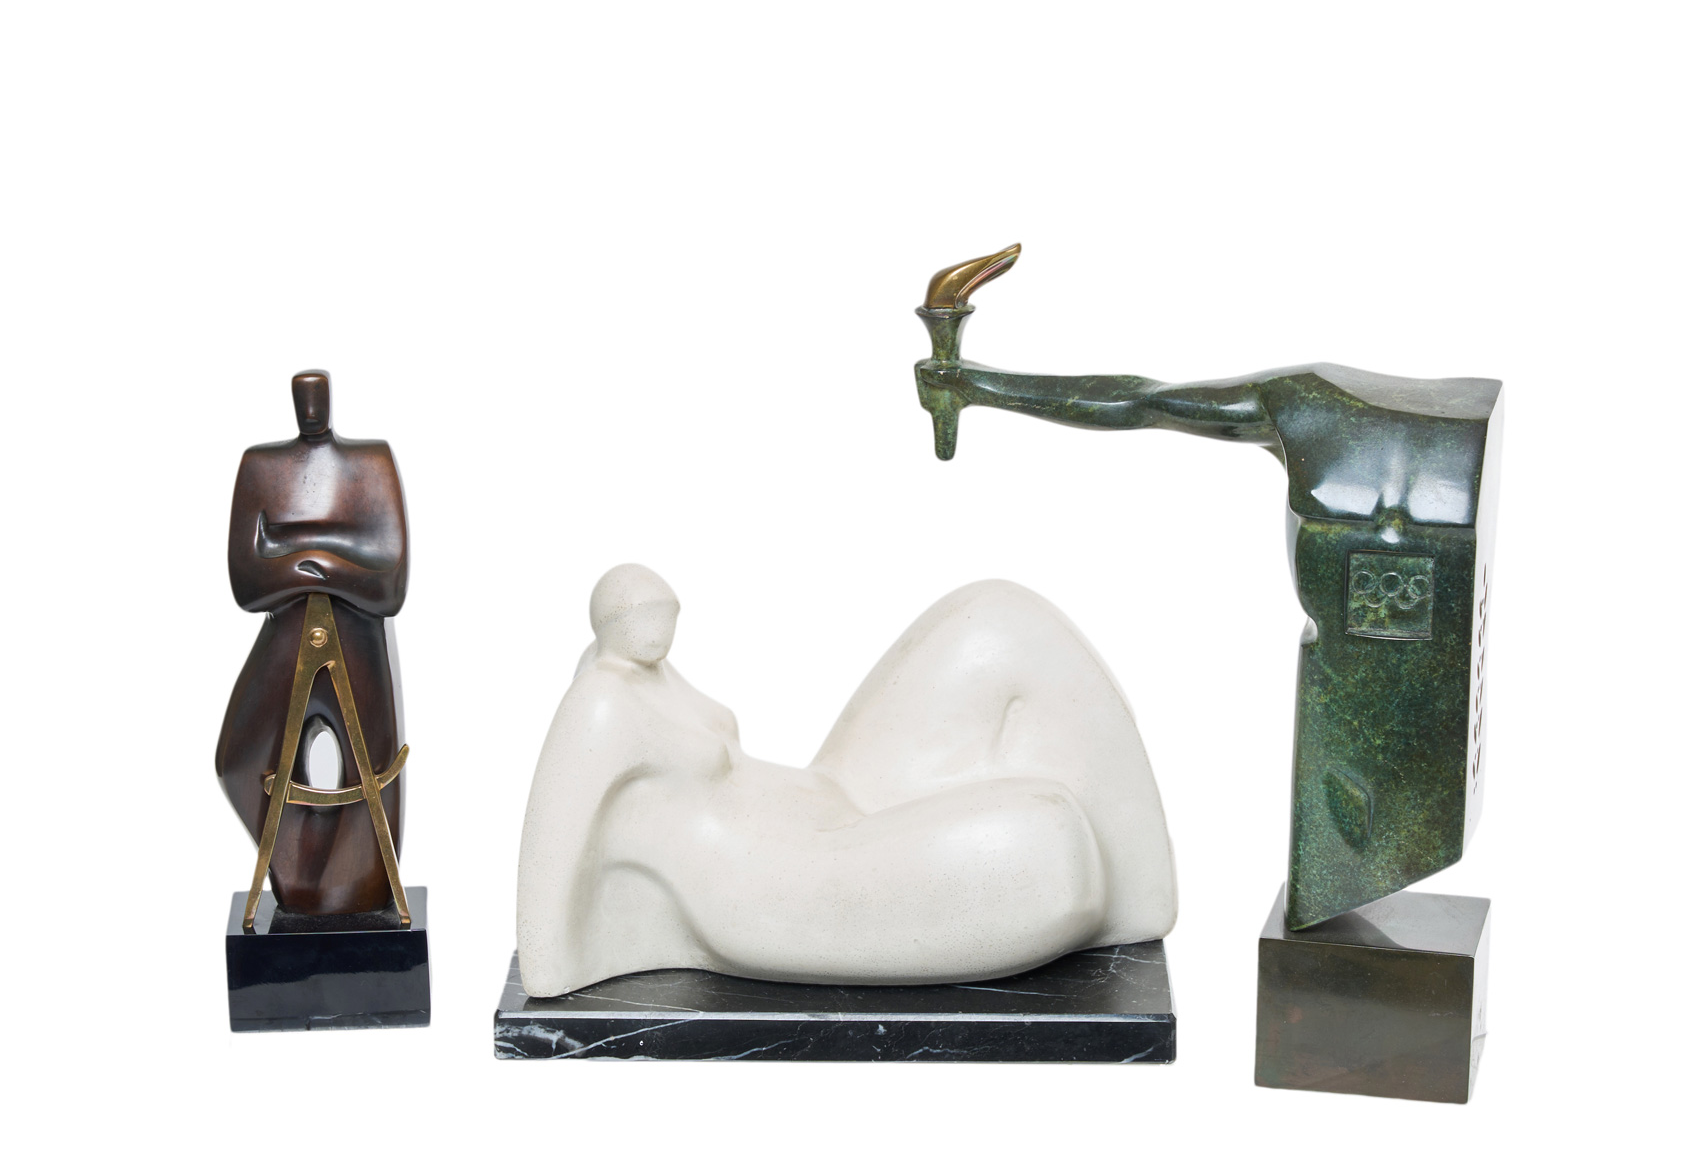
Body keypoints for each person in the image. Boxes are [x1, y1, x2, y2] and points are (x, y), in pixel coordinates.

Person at [917, 351, 1503, 927]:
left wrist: (977, 384)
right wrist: (979, 384)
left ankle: (1353, 870)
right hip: (1375, 706)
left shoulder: (1304, 400)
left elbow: (1145, 399)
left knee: (1374, 814)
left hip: (1395, 714)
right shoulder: (1305, 402)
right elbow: (1143, 399)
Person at [516, 565, 1175, 997]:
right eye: (645, 617)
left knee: (999, 617)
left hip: (830, 798)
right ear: (614, 624)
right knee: (1049, 845)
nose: (660, 628)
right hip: (779, 884)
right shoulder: (601, 703)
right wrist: (548, 976)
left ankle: (1143, 899)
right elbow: (556, 837)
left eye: (667, 614)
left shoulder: (653, 675)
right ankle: (1130, 899)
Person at [216, 372, 408, 916]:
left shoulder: (370, 463)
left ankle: (360, 889)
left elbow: (390, 585)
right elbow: (248, 584)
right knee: (238, 763)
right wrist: (343, 558)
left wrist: (297, 552)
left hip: (359, 646)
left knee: (371, 778)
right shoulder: (261, 467)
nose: (311, 408)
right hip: (286, 639)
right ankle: (301, 878)